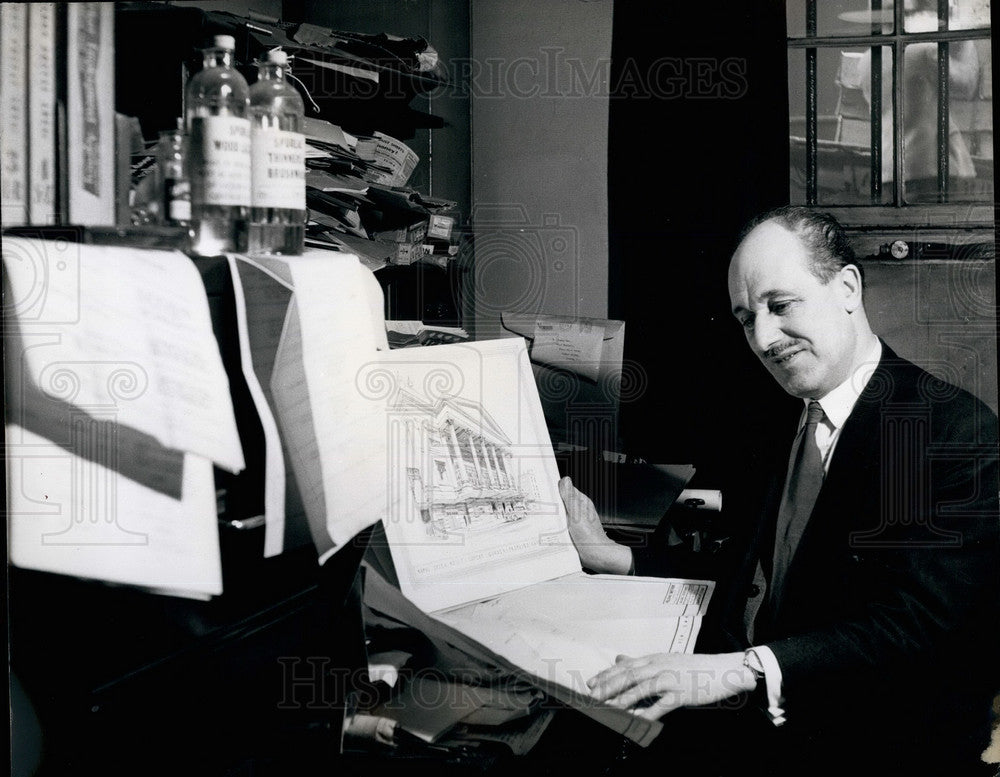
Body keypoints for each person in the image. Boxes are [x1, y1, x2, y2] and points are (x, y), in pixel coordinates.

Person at [559, 206, 999, 775]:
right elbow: (751, 571)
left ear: (846, 287)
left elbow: (920, 629)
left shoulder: (949, 430)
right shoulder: (778, 419)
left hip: (870, 741)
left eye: (780, 305)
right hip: (755, 710)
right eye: (746, 318)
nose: (764, 338)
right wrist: (617, 558)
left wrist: (736, 670)